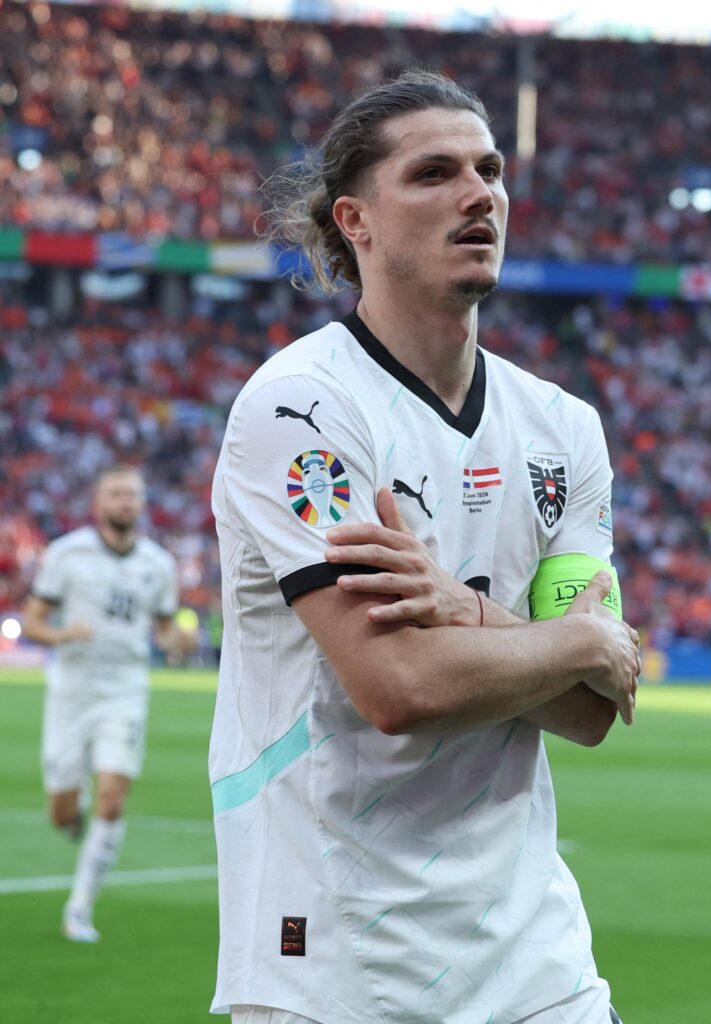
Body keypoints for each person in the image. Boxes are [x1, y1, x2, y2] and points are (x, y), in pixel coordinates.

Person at [210, 70, 640, 1024]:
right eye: (434, 172)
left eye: (488, 170)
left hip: (540, 966)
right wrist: (575, 640)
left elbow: (588, 714)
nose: (478, 192)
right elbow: (400, 689)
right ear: (355, 220)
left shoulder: (563, 429)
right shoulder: (301, 410)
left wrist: (468, 611)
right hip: (340, 964)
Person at [22, 464, 196, 942]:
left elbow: (163, 628)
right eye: (116, 494)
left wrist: (177, 640)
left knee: (114, 795)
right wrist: (61, 633)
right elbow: (33, 620)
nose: (125, 502)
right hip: (72, 692)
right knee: (62, 812)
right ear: (99, 503)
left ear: (142, 504)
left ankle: (80, 907)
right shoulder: (66, 554)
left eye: (133, 495)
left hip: (125, 690)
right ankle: (71, 812)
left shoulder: (158, 564)